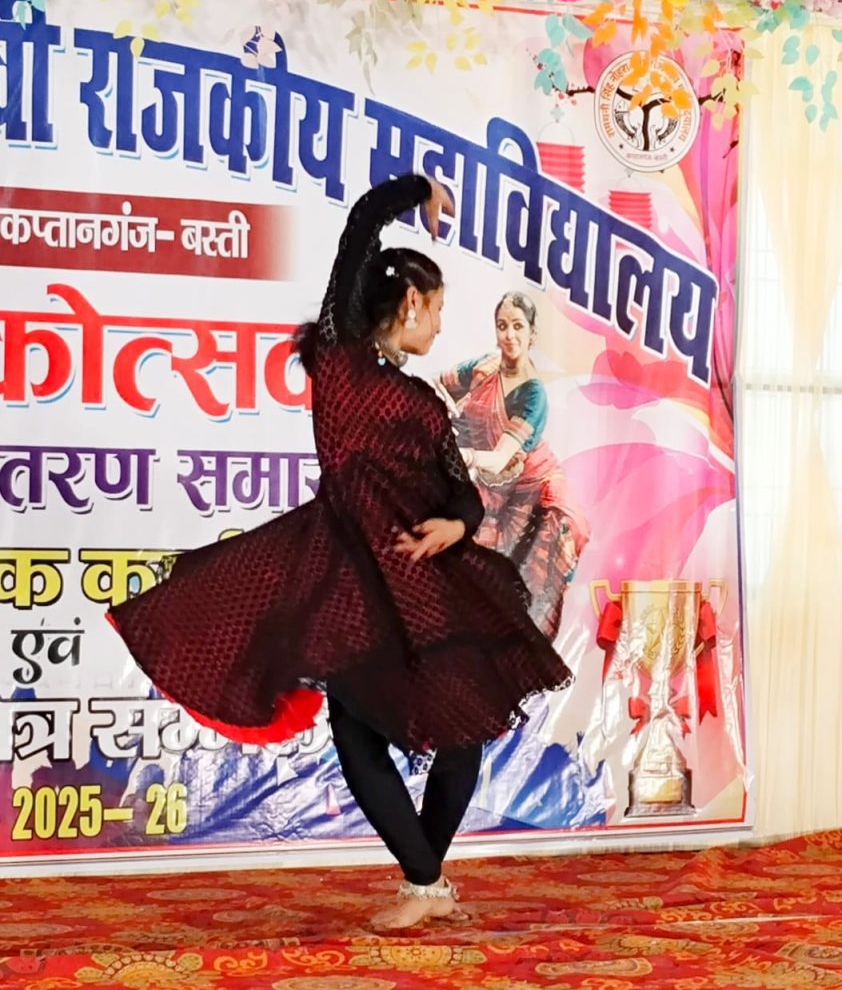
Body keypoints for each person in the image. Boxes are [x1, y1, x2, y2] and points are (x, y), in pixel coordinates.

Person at [107, 175, 573, 929]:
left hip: (425, 583)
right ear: (411, 303)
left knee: (463, 733)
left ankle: (426, 880)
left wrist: (455, 528)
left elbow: (463, 496)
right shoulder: (338, 361)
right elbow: (360, 229)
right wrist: (417, 190)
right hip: (348, 584)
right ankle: (426, 882)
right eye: (439, 307)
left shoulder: (423, 402)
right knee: (356, 734)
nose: (442, 324)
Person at [436, 292, 590, 643]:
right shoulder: (484, 368)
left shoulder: (533, 395)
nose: (509, 335)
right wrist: (440, 406)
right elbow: (435, 385)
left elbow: (498, 458)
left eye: (518, 326)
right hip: (491, 491)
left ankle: (529, 664)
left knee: (531, 586)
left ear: (532, 333)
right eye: (502, 326)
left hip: (534, 495)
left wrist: (458, 454)